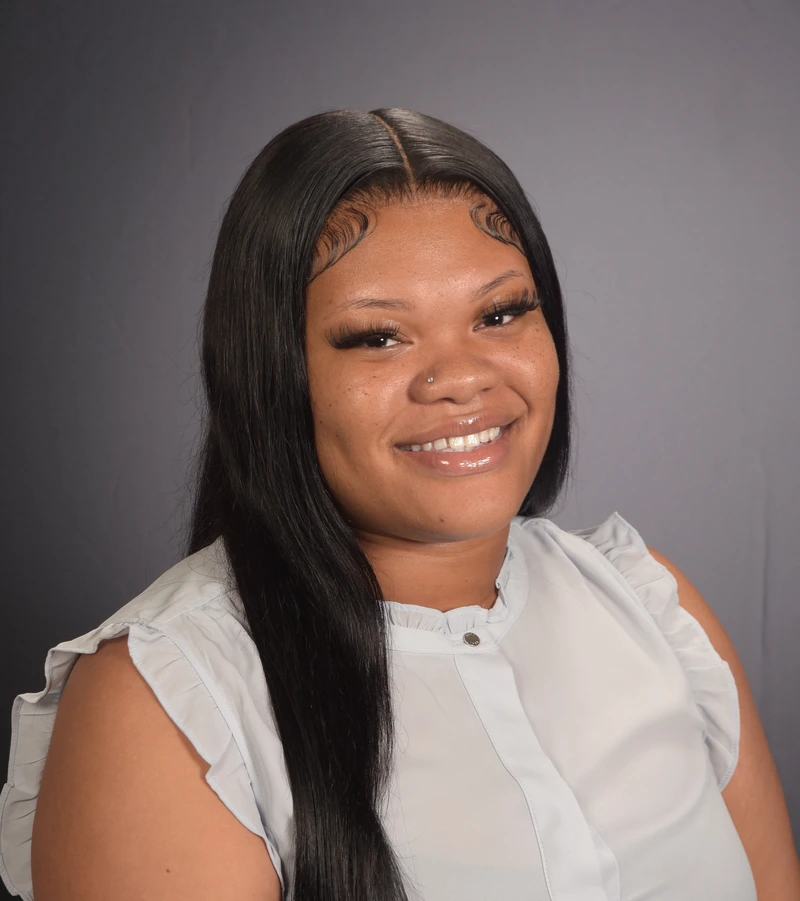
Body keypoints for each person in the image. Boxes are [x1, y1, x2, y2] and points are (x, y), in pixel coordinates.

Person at [0, 108, 797, 901]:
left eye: (500, 313)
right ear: (270, 373)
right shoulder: (171, 701)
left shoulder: (651, 604)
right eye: (379, 336)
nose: (460, 377)